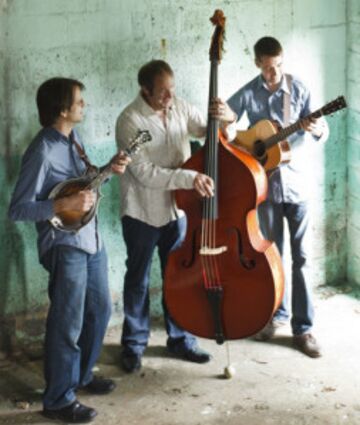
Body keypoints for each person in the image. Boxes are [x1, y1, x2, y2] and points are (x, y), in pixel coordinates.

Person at [8, 77, 130, 423]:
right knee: (67, 322)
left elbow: (83, 189)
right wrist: (60, 205)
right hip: (64, 245)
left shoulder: (73, 140)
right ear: (62, 109)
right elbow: (18, 208)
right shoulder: (42, 149)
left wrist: (109, 171)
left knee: (100, 310)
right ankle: (58, 399)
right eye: (79, 101)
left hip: (90, 239)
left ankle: (82, 376)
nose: (84, 105)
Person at [115, 60, 235, 373]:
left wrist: (228, 118)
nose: (170, 96)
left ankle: (180, 339)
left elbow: (216, 132)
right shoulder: (130, 120)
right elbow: (143, 173)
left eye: (172, 89)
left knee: (178, 278)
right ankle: (133, 344)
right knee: (138, 280)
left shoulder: (180, 106)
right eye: (163, 92)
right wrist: (188, 178)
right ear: (145, 90)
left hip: (177, 209)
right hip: (141, 210)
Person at [215, 36, 329, 358]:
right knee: (270, 256)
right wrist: (235, 129)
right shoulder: (249, 92)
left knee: (303, 258)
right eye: (267, 68)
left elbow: (324, 131)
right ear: (257, 64)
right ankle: (274, 316)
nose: (273, 73)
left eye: (277, 66)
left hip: (298, 188)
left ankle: (303, 328)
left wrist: (315, 127)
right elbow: (228, 128)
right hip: (264, 189)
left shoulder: (300, 89)